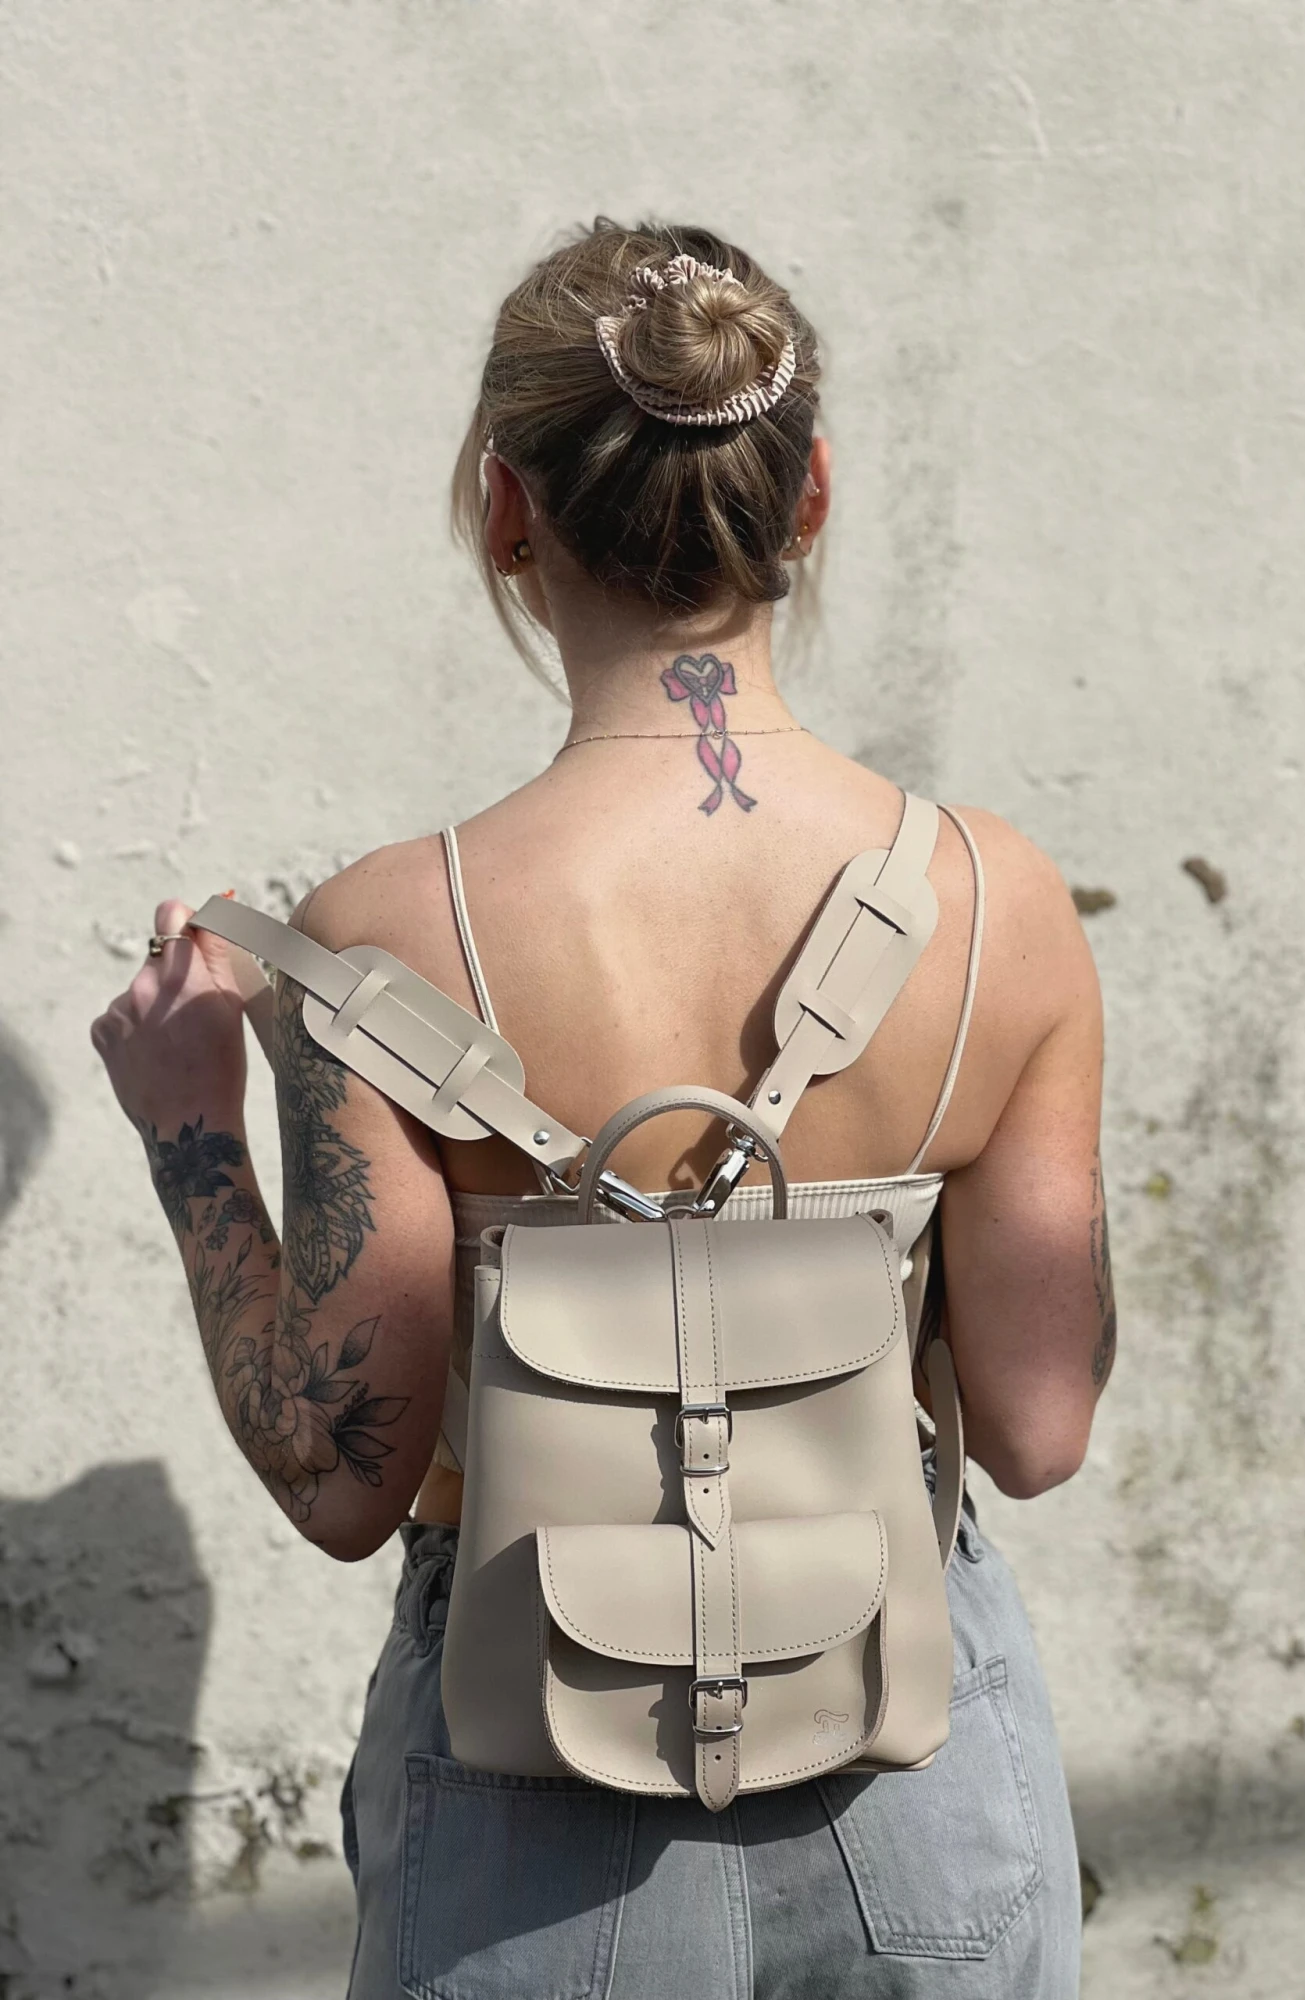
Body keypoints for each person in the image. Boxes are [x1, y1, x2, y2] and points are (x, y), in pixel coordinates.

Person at [91, 219, 1113, 1999]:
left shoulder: (393, 936)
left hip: (533, 1801)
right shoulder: (991, 901)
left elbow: (340, 1477)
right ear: (809, 500)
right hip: (919, 1777)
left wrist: (194, 1133)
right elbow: (1038, 1426)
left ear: (508, 509)